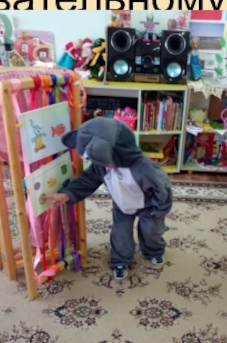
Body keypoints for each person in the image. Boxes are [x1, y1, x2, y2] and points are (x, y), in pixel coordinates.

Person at [49, 117, 173, 280]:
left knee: (152, 232)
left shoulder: (143, 168)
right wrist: (67, 194)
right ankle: (120, 260)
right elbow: (87, 181)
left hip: (148, 206)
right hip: (122, 205)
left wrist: (160, 209)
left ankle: (154, 251)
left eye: (103, 159)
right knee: (120, 234)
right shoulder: (101, 167)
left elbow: (162, 187)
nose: (101, 164)